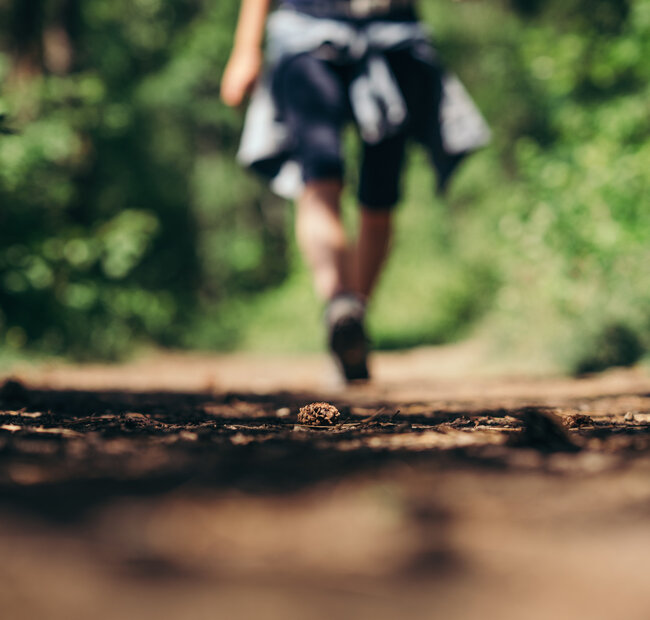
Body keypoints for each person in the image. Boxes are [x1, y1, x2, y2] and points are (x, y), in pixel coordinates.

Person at [221, 0, 489, 382]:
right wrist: (246, 48)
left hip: (395, 40)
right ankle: (340, 304)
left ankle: (352, 322)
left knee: (379, 197)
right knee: (320, 174)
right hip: (308, 35)